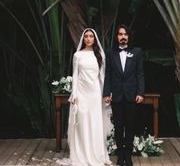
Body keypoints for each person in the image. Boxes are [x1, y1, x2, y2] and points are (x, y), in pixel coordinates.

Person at [57, 28, 112, 166]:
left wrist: (106, 93)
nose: (88, 39)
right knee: (82, 123)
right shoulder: (78, 55)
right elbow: (75, 75)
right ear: (83, 38)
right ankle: (82, 154)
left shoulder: (100, 55)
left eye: (91, 36)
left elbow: (103, 76)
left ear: (94, 39)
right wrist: (74, 93)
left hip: (95, 93)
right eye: (86, 36)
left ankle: (97, 155)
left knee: (94, 123)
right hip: (81, 93)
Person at [103, 24, 145, 166]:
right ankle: (120, 156)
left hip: (132, 95)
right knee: (119, 127)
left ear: (128, 36)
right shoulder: (110, 53)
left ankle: (128, 156)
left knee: (131, 126)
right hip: (117, 96)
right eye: (120, 34)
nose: (123, 37)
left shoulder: (137, 52)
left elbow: (140, 73)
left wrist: (140, 92)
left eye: (125, 34)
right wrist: (106, 93)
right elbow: (107, 74)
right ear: (117, 37)